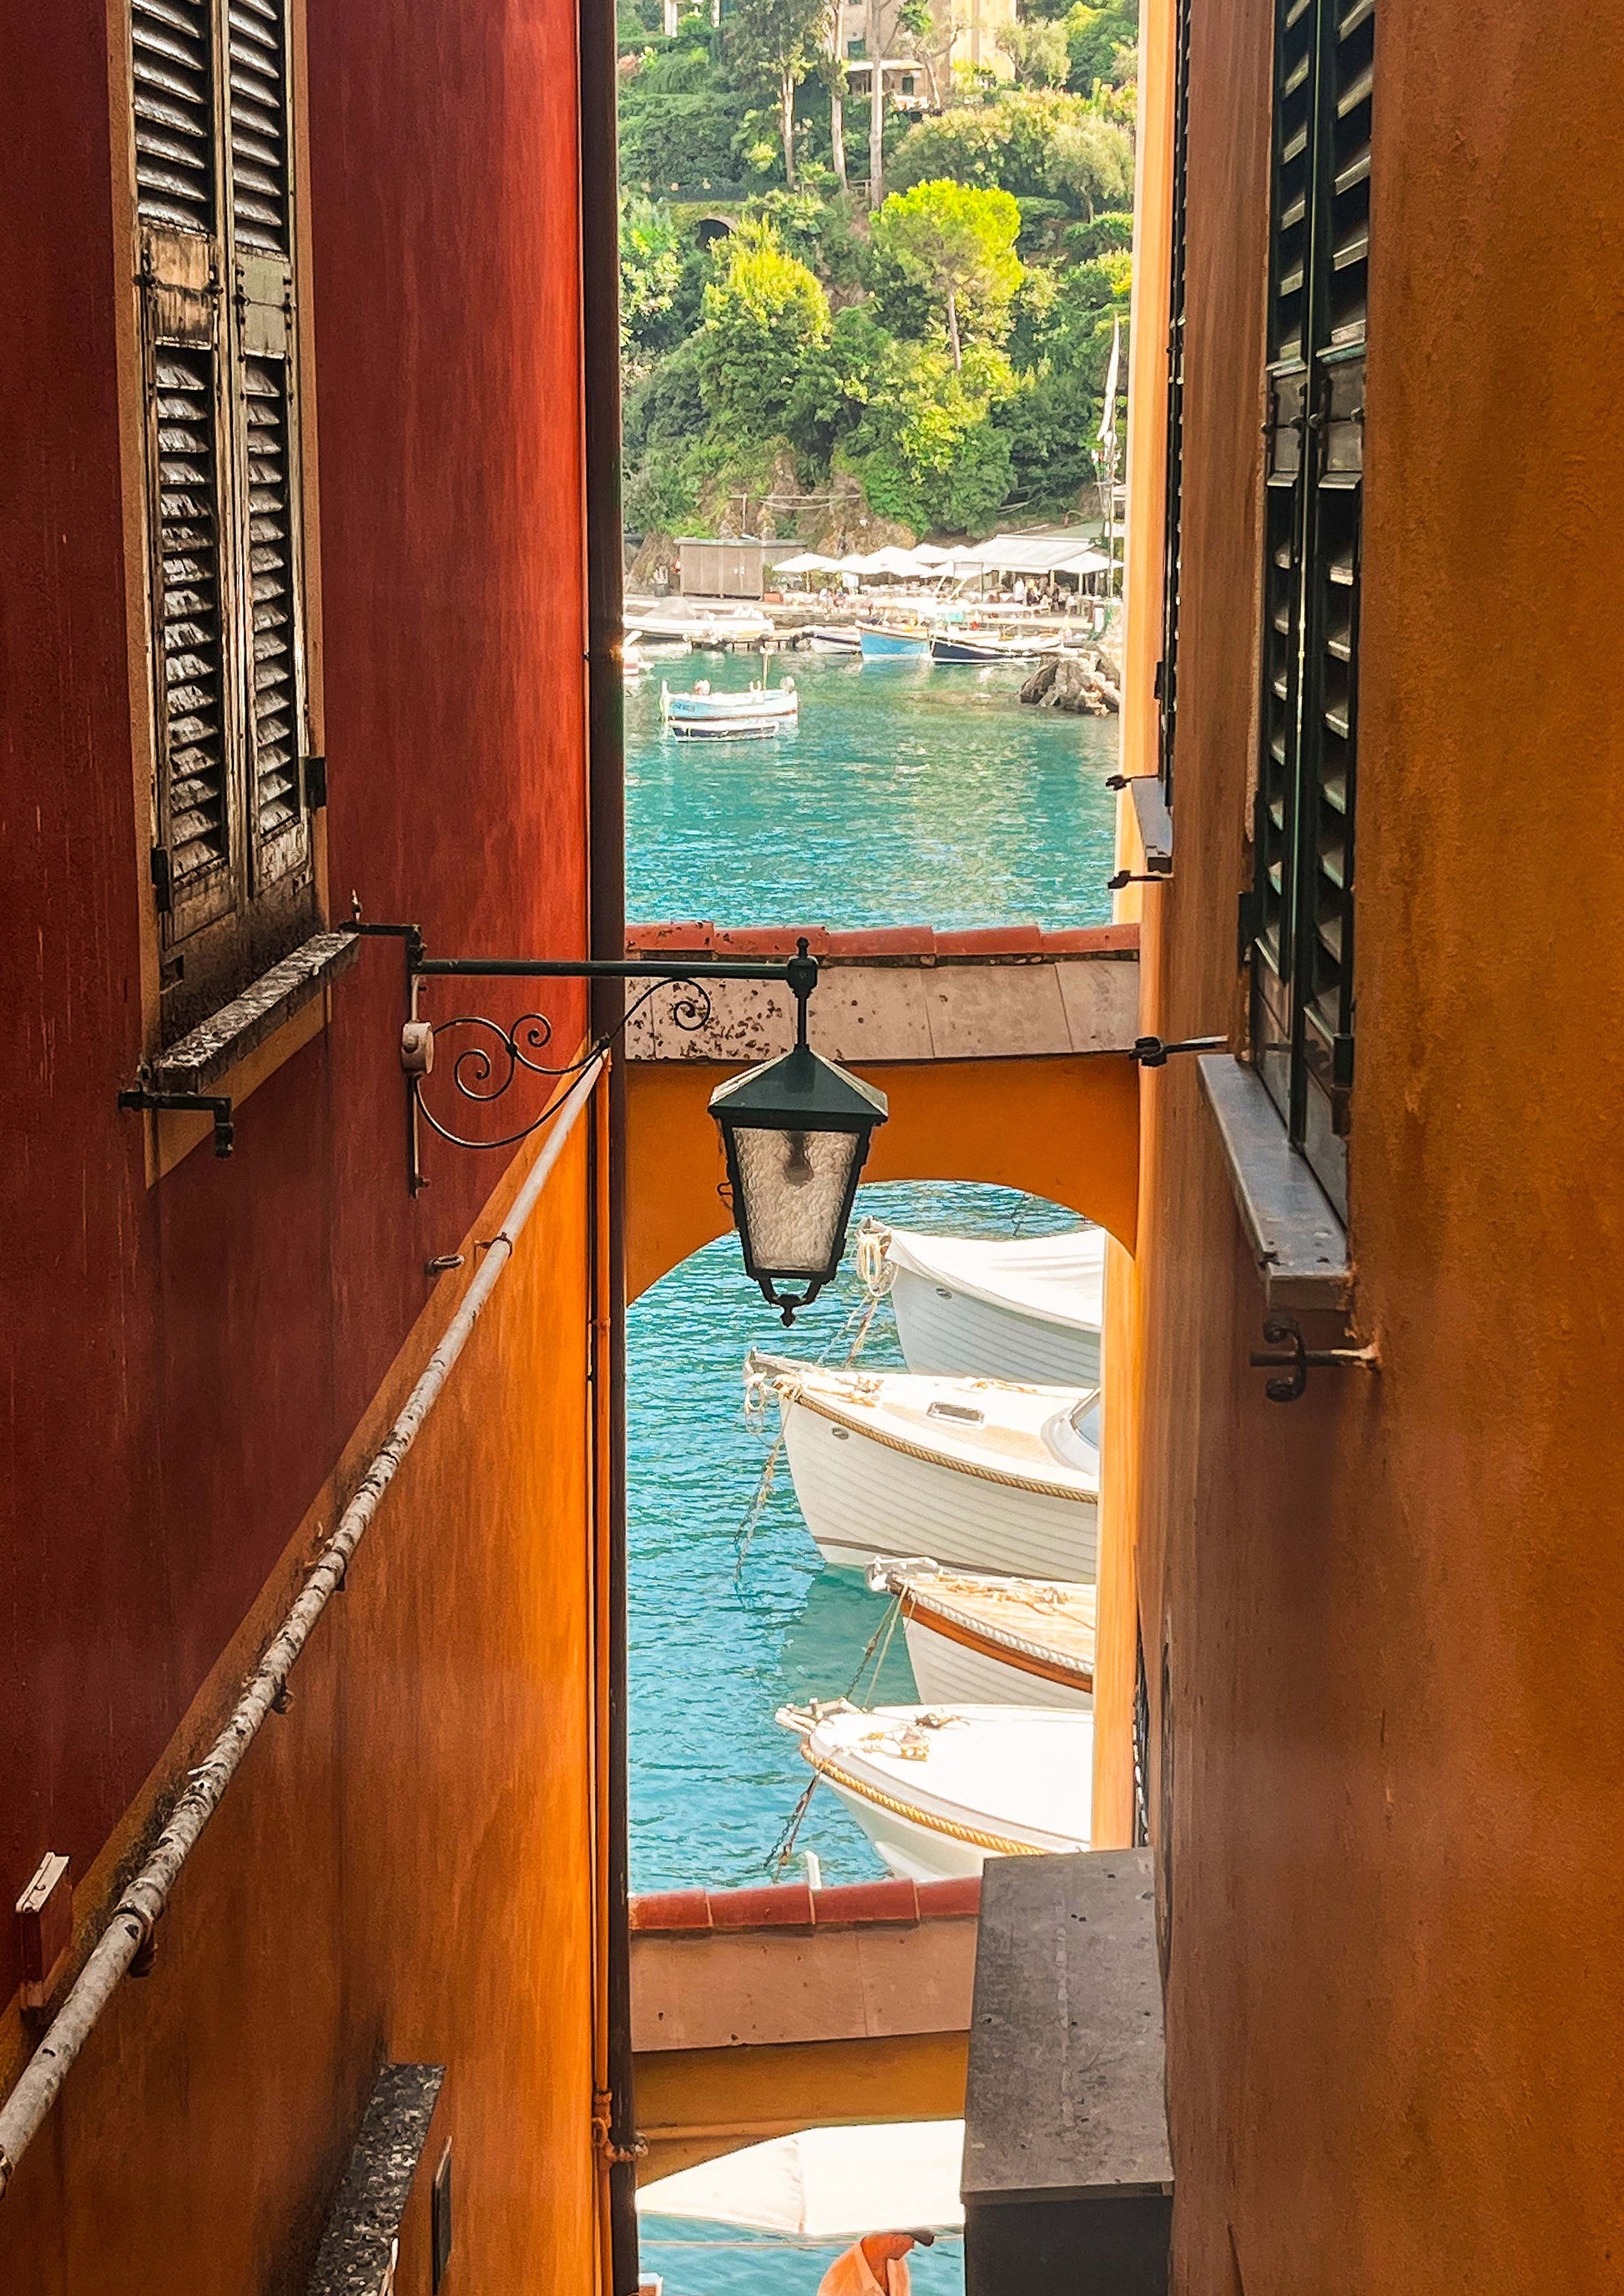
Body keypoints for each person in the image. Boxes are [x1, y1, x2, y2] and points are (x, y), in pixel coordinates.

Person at [816, 2230, 933, 2296]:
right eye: (912, 2240)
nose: (912, 2246)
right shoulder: (839, 2285)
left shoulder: (898, 2266)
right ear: (894, 2237)